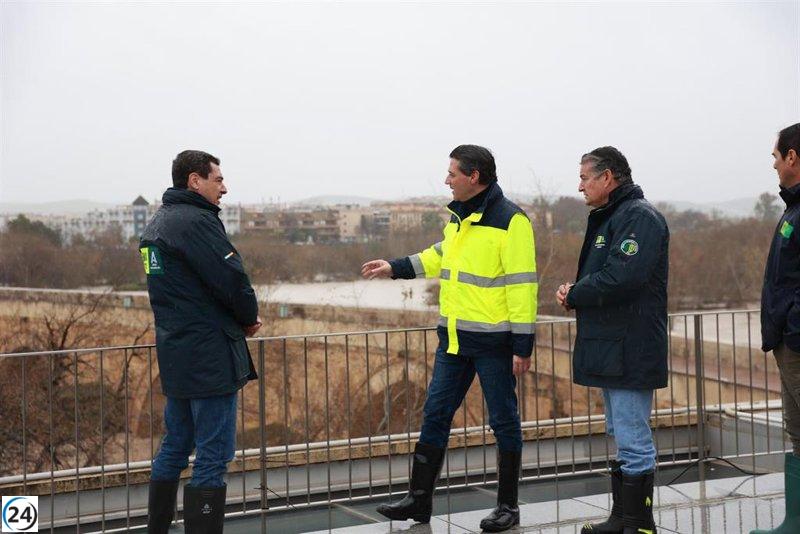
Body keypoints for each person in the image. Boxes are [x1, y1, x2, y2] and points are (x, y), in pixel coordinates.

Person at [362, 145, 538, 532]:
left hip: (494, 345)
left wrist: (523, 346)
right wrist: (394, 267)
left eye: (452, 173)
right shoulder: (459, 218)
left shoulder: (512, 221)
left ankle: (508, 507)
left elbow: (523, 287)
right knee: (435, 415)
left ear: (474, 176)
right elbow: (439, 256)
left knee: (504, 422)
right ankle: (418, 500)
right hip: (454, 342)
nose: (447, 180)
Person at [140, 150, 262, 534]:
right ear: (195, 181)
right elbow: (231, 278)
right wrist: (248, 318)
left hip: (176, 353)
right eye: (218, 180)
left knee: (175, 445)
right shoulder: (197, 222)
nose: (224, 188)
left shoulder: (156, 225)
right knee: (213, 454)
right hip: (210, 355)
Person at [555, 146, 668, 534]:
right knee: (620, 435)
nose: (580, 186)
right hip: (612, 347)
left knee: (633, 439)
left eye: (584, 177)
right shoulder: (614, 216)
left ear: (607, 178)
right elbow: (607, 276)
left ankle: (638, 524)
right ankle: (622, 519)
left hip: (631, 347)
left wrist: (576, 293)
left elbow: (623, 277)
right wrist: (575, 292)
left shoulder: (639, 217)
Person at [751, 123, 800, 534]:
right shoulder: (793, 209)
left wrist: (793, 329)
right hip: (787, 341)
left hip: (796, 341)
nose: (773, 164)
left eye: (776, 156)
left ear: (792, 157)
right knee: (797, 432)